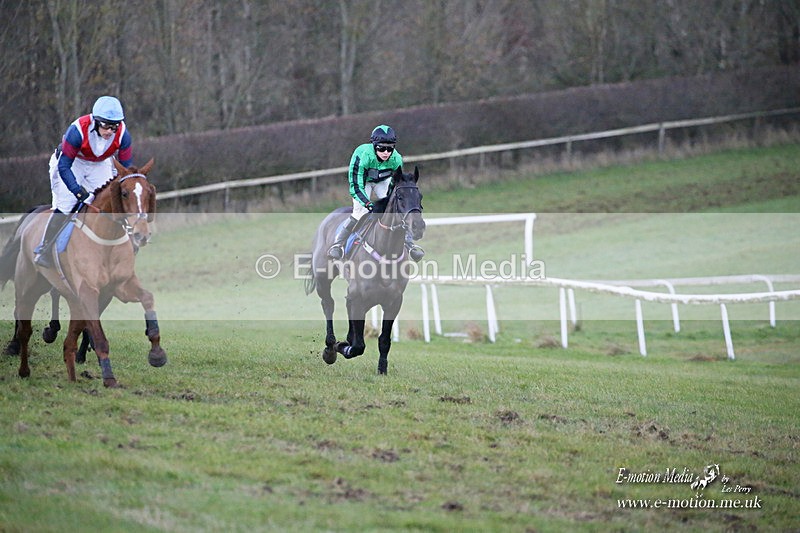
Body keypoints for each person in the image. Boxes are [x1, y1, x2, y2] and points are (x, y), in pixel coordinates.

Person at [34, 96, 133, 268]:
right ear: (95, 121)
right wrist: (78, 191)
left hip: (100, 163)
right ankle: (45, 249)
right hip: (72, 163)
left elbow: (125, 171)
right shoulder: (78, 130)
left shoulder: (123, 135)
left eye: (114, 126)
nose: (110, 131)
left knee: (107, 202)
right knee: (67, 205)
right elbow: (64, 166)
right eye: (106, 125)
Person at [327, 124, 424, 262]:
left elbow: (395, 184)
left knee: (395, 211)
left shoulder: (396, 159)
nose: (386, 152)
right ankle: (338, 245)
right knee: (359, 212)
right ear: (374, 145)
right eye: (381, 148)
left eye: (390, 148)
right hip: (363, 183)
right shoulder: (363, 156)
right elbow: (355, 185)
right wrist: (367, 203)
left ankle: (409, 245)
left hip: (382, 181)